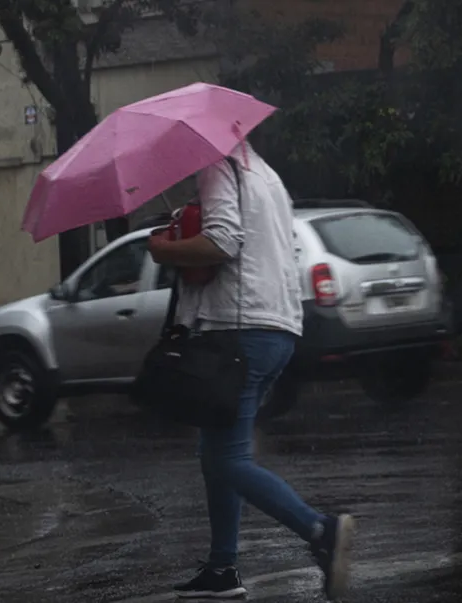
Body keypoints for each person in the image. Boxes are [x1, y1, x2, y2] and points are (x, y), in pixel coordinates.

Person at [147, 143, 354, 601]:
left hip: (238, 333)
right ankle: (222, 568)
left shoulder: (218, 167)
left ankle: (320, 530)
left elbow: (222, 242)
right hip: (277, 327)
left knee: (226, 459)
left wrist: (166, 250)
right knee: (217, 450)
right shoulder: (266, 175)